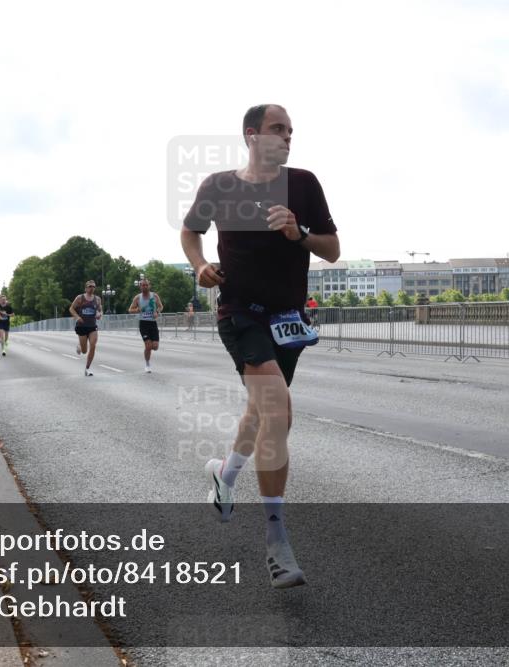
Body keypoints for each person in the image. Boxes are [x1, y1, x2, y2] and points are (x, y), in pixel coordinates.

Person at [181, 104, 340, 589]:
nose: (287, 137)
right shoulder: (218, 186)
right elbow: (190, 231)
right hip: (240, 313)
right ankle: (276, 540)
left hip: (288, 319)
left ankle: (224, 475)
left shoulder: (304, 184)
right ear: (252, 135)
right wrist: (199, 265)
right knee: (277, 410)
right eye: (277, 129)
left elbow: (332, 249)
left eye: (290, 131)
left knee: (261, 411)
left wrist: (299, 233)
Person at [128, 278, 163, 373]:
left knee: (155, 347)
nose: (145, 287)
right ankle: (147, 364)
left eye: (146, 285)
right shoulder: (137, 298)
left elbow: (161, 306)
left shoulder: (154, 296)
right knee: (148, 346)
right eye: (143, 285)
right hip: (143, 323)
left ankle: (148, 349)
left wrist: (157, 312)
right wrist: (137, 310)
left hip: (153, 323)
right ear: (140, 287)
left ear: (149, 286)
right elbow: (130, 310)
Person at [69, 280, 102, 376]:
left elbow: (100, 310)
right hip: (82, 326)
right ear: (86, 288)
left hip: (92, 326)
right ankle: (79, 345)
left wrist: (99, 314)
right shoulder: (80, 298)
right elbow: (71, 308)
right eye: (90, 286)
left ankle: (87, 368)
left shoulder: (97, 299)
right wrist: (77, 317)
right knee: (84, 351)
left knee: (93, 345)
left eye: (93, 286)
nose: (92, 288)